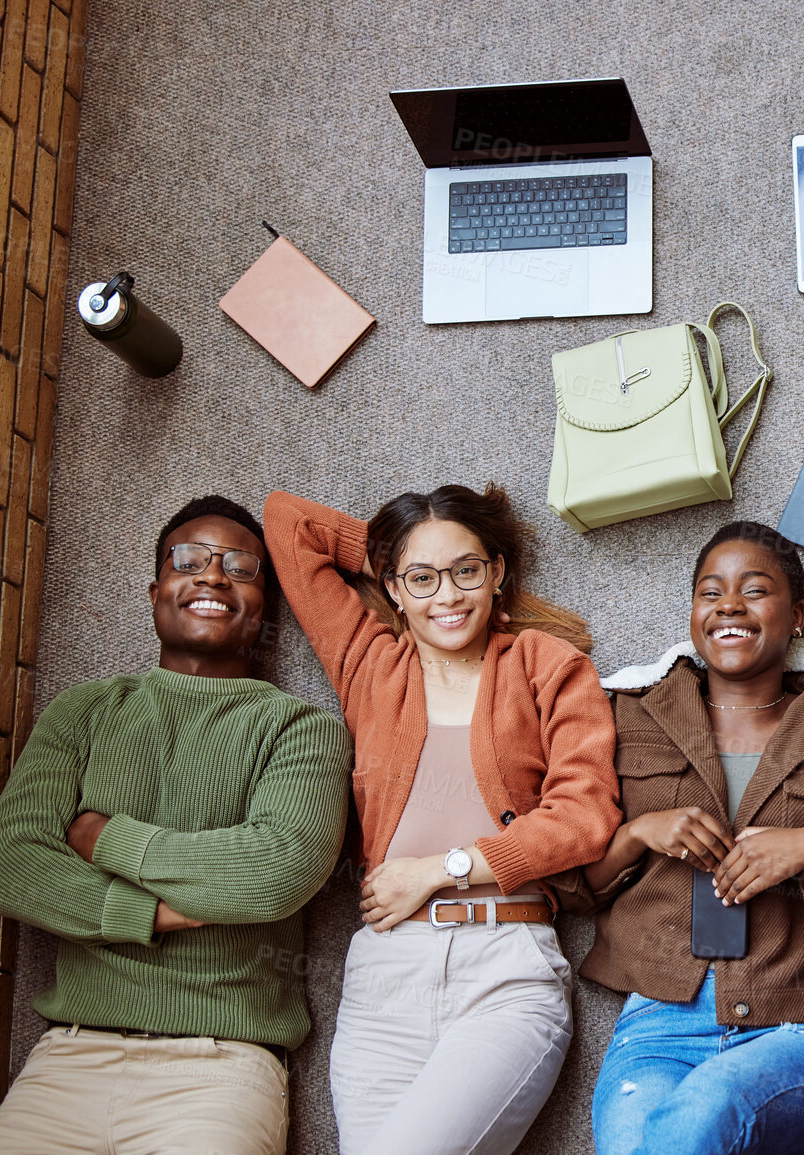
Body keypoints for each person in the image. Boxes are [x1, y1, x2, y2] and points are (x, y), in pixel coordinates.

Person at [263, 486, 622, 1155]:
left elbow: (585, 815)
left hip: (505, 971)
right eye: (423, 578)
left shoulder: (549, 664)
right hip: (383, 979)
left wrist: (442, 869)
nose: (448, 596)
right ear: (392, 588)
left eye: (466, 570)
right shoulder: (368, 664)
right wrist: (399, 555)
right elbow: (289, 522)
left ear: (496, 572)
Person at [0, 496, 352, 1154]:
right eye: (189, 560)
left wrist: (105, 838)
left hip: (218, 1070)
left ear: (264, 603)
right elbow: (10, 863)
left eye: (240, 567)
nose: (212, 576)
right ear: (158, 590)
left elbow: (274, 869)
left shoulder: (302, 728)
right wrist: (146, 911)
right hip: (67, 1060)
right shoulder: (83, 711)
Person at [552, 521, 804, 1155]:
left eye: (754, 590)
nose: (728, 606)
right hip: (655, 1026)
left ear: (798, 615)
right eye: (709, 591)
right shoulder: (625, 712)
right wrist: (640, 833)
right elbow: (572, 887)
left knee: (700, 1118)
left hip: (797, 1030)